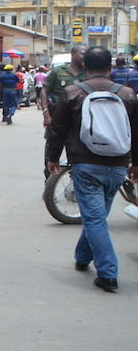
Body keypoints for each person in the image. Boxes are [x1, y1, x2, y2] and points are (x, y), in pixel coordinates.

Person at [46, 46, 138, 292]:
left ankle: (108, 273)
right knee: (96, 216)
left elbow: (58, 129)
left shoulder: (72, 92)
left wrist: (52, 157)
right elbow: (137, 132)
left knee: (95, 218)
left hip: (85, 164)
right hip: (118, 165)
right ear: (110, 67)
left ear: (84, 66)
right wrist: (136, 163)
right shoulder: (128, 94)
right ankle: (82, 257)